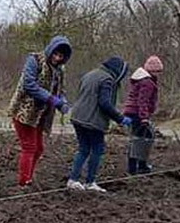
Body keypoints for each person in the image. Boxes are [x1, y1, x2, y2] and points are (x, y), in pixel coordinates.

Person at [8, 36, 73, 186]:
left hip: (41, 115)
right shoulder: (35, 60)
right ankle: (24, 182)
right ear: (50, 50)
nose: (57, 58)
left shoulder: (60, 70)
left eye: (61, 56)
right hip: (24, 111)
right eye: (55, 54)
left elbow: (60, 90)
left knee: (38, 148)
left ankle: (28, 178)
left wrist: (62, 102)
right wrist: (51, 99)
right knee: (29, 146)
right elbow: (29, 84)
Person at [67, 56, 131, 192]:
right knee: (97, 149)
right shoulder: (107, 79)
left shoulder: (89, 74)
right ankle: (90, 182)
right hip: (93, 121)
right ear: (117, 70)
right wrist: (120, 118)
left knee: (83, 149)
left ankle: (73, 180)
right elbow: (105, 103)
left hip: (77, 117)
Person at [122, 55, 163, 175]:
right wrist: (144, 117)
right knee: (140, 140)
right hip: (137, 113)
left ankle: (139, 165)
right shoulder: (147, 83)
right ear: (151, 71)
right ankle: (136, 167)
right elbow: (142, 101)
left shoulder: (141, 80)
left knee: (141, 138)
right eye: (157, 71)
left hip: (133, 112)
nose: (158, 74)